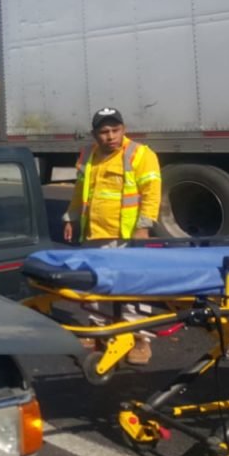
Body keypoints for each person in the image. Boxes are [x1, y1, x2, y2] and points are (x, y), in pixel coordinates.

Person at [63, 107, 162, 364]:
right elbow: (79, 191)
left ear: (124, 129)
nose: (110, 136)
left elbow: (152, 193)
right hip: (94, 232)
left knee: (131, 286)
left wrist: (143, 226)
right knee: (96, 284)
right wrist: (71, 218)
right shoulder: (88, 154)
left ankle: (139, 339)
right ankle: (100, 332)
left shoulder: (139, 154)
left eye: (115, 130)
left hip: (126, 235)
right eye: (104, 132)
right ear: (95, 134)